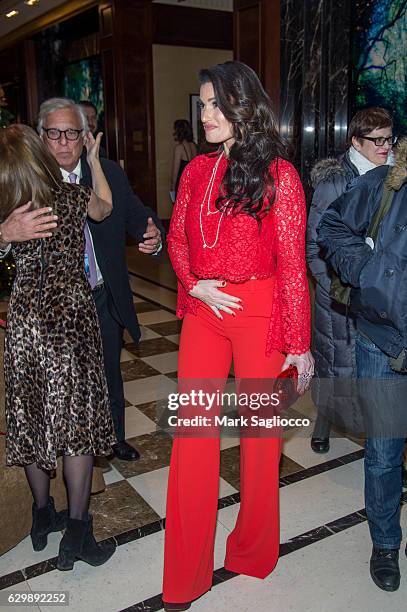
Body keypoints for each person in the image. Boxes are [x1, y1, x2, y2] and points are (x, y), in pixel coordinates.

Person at [163, 61, 314, 610]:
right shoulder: (196, 171)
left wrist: (299, 344)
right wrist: (194, 284)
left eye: (214, 105)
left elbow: (294, 265)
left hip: (260, 309)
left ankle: (253, 550)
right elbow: (178, 236)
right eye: (201, 105)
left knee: (258, 442)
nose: (205, 115)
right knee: (193, 437)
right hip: (206, 307)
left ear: (243, 107)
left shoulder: (280, 174)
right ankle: (184, 572)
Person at [0, 98, 165, 462]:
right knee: (58, 387)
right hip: (46, 311)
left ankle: (114, 439)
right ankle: (67, 451)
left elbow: (137, 216)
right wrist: (5, 234)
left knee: (107, 372)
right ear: (41, 137)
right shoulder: (23, 179)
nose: (62, 142)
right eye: (53, 133)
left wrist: (152, 238)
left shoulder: (107, 172)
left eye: (71, 133)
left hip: (100, 294)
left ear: (85, 137)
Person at [0, 123, 116, 570]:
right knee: (78, 424)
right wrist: (91, 163)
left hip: (26, 322)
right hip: (69, 322)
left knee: (31, 417)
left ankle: (42, 515)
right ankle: (78, 535)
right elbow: (104, 209)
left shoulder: (8, 211)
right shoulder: (70, 198)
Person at [317, 137, 407, 592]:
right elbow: (332, 227)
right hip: (383, 341)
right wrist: (365, 271)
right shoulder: (384, 184)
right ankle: (385, 542)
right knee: (385, 453)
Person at [307, 108, 395, 454]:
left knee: (376, 376)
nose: (385, 146)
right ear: (356, 141)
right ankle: (324, 423)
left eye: (389, 138)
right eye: (377, 140)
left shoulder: (393, 179)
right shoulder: (336, 182)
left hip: (379, 295)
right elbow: (314, 245)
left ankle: (385, 448)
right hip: (340, 295)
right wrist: (336, 290)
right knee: (335, 366)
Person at [171, 119, 197, 198]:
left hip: (182, 186)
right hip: (193, 185)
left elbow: (175, 172)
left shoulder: (179, 148)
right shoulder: (194, 145)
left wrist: (172, 188)